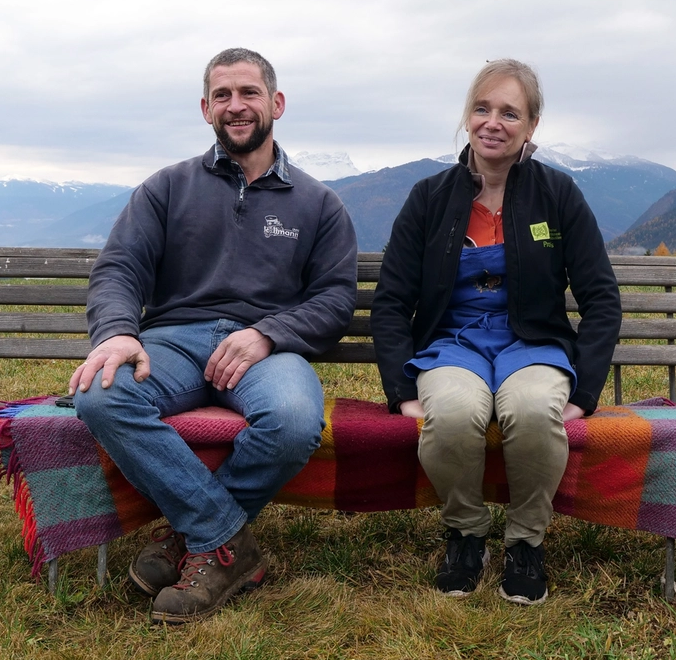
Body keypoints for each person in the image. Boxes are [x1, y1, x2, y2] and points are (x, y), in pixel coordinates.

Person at [70, 48, 358, 624]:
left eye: (248, 93)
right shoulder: (168, 188)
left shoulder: (318, 203)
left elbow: (334, 299)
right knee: (101, 393)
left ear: (275, 103)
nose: (236, 106)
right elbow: (120, 269)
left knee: (295, 420)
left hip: (265, 351)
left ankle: (189, 539)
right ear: (206, 109)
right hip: (173, 343)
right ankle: (226, 543)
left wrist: (269, 334)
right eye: (222, 96)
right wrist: (120, 333)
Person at [370, 59, 621, 605]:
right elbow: (391, 302)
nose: (493, 122)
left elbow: (601, 298)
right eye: (482, 108)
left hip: (533, 345)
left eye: (510, 112)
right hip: (452, 346)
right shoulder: (429, 198)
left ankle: (526, 541)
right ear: (467, 118)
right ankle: (465, 533)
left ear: (531, 127)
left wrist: (583, 393)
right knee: (455, 413)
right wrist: (402, 392)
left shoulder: (557, 195)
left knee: (533, 411)